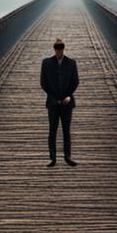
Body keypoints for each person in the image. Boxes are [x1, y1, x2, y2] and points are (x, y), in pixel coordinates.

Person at [40, 38, 79, 167]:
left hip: (67, 102)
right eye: (57, 48)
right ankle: (52, 158)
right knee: (52, 130)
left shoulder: (72, 63)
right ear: (54, 49)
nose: (58, 51)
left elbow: (75, 82)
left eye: (60, 48)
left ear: (63, 49)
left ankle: (68, 156)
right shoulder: (46, 63)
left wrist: (68, 95)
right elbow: (43, 83)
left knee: (66, 130)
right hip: (53, 102)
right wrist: (53, 97)